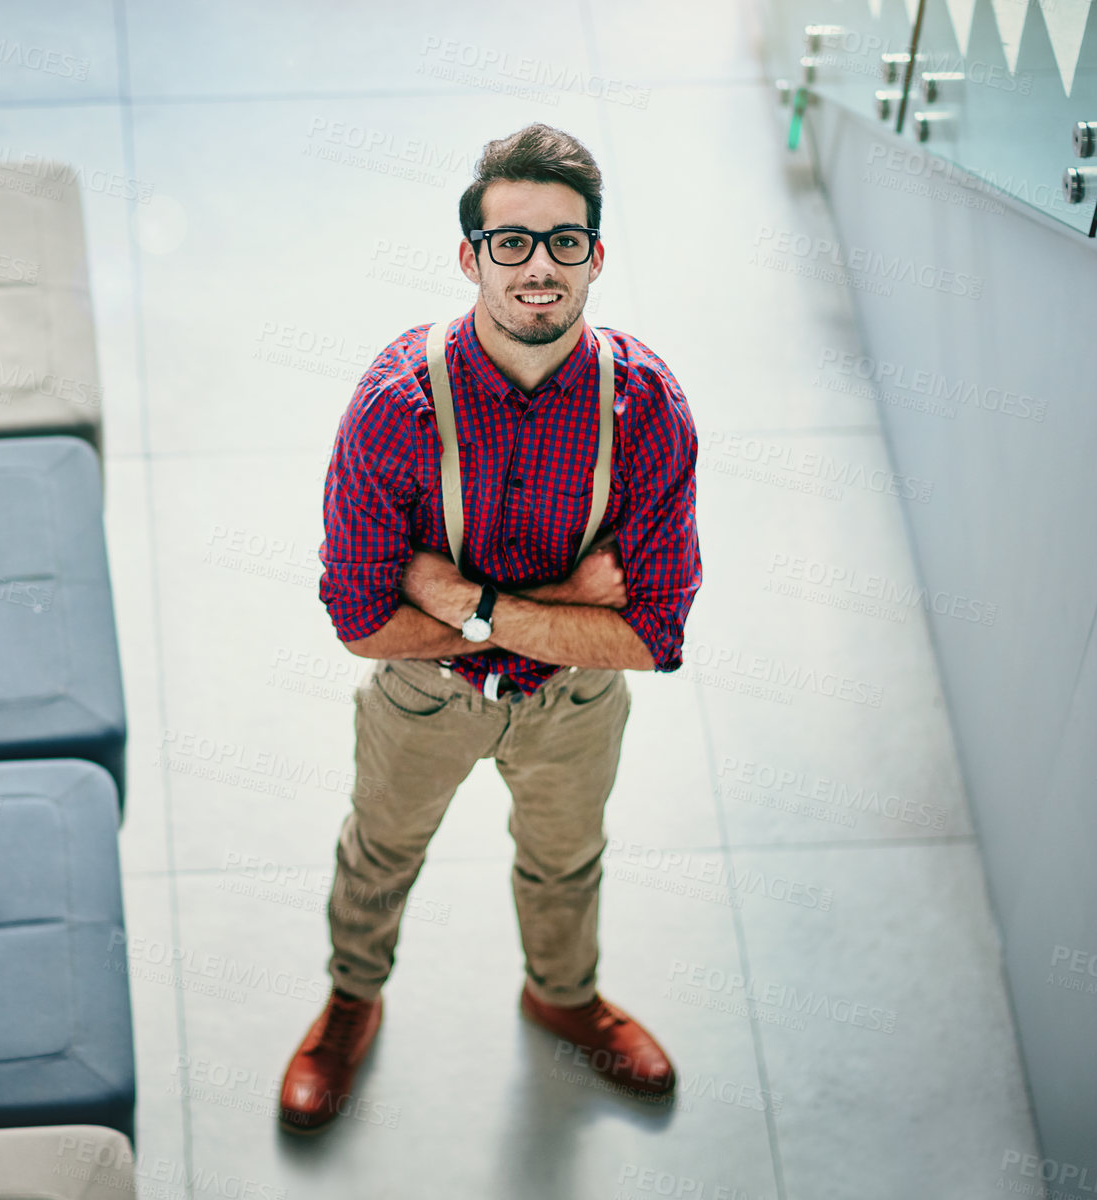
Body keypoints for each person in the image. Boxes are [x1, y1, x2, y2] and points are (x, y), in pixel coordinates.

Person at [279, 123, 703, 1135]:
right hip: (426, 700)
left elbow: (655, 635)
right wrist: (570, 610)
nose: (539, 265)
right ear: (470, 257)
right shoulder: (395, 407)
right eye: (511, 242)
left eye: (565, 240)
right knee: (381, 849)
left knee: (567, 858)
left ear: (596, 257)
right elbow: (361, 625)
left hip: (575, 708)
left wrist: (474, 606)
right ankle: (350, 1000)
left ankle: (562, 995)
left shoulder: (646, 408)